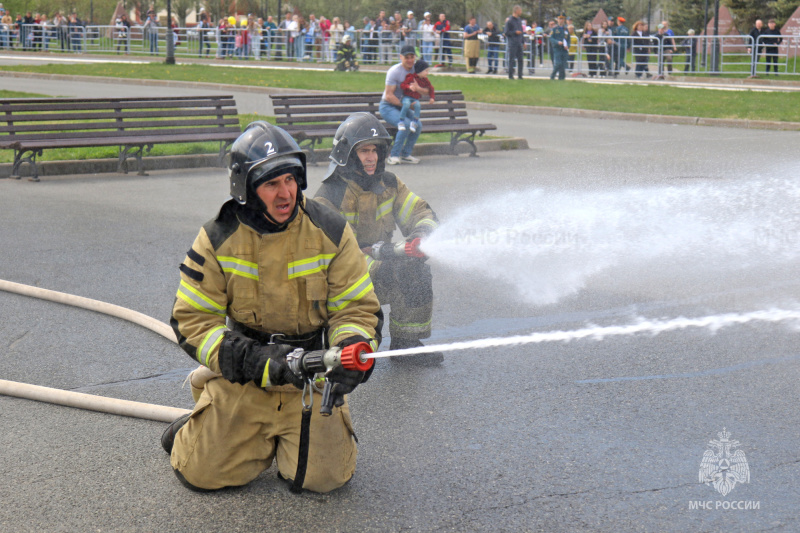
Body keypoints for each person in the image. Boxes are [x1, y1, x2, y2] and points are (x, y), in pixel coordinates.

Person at [162, 121, 382, 493]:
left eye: (291, 180)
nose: (285, 194)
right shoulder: (218, 236)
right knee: (202, 474)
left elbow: (357, 309)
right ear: (247, 188)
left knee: (324, 480)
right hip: (246, 377)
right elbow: (192, 321)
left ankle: (274, 443)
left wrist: (350, 351)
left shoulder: (330, 229)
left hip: (311, 379)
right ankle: (195, 426)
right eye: (271, 184)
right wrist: (251, 360)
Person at [314, 113, 442, 364]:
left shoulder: (389, 184)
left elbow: (420, 212)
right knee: (399, 270)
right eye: (363, 151)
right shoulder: (329, 195)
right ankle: (338, 340)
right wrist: (380, 264)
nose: (371, 157)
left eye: (375, 150)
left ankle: (406, 345)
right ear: (347, 154)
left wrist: (420, 236)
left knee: (414, 271)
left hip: (377, 268)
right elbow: (335, 257)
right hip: (337, 286)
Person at [380, 45, 428, 165]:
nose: (410, 60)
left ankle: (406, 154)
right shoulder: (394, 71)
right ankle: (393, 155)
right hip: (388, 106)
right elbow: (389, 95)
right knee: (405, 124)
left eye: (412, 57)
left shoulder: (416, 70)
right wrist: (406, 106)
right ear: (401, 57)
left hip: (402, 105)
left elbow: (425, 89)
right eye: (407, 57)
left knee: (418, 125)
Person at [398, 59, 435, 132]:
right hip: (407, 97)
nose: (427, 73)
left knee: (418, 106)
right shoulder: (411, 77)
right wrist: (409, 87)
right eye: (426, 71)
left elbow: (431, 88)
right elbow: (402, 85)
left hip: (415, 99)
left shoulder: (425, 80)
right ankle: (401, 121)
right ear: (420, 71)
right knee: (406, 104)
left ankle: (414, 122)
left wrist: (432, 97)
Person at [504, 5, 524, 79]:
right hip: (512, 43)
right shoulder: (510, 20)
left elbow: (521, 31)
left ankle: (520, 75)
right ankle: (510, 75)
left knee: (520, 59)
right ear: (516, 11)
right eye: (520, 10)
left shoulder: (519, 20)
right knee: (512, 59)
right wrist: (515, 32)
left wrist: (523, 41)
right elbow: (506, 32)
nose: (521, 12)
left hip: (519, 42)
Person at [549, 14, 569, 80]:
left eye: (562, 19)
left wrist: (568, 45)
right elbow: (551, 38)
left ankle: (562, 78)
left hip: (564, 49)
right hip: (557, 48)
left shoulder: (566, 29)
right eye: (560, 19)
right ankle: (552, 76)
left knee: (563, 64)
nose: (561, 20)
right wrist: (557, 42)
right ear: (557, 20)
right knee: (558, 63)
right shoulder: (555, 29)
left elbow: (568, 39)